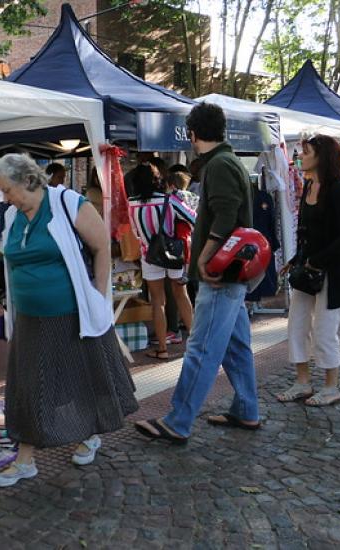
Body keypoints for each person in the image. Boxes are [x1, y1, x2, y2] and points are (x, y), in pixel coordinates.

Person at [0, 153, 138, 487]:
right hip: (29, 317)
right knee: (29, 386)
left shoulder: (68, 202)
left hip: (71, 313)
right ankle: (25, 459)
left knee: (77, 379)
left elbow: (102, 248)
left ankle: (87, 435)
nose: (5, 197)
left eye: (7, 190)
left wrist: (100, 298)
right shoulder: (13, 216)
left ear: (28, 181)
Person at [135, 103, 259, 444]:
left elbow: (224, 214)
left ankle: (178, 420)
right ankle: (247, 409)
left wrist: (204, 258)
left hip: (220, 274)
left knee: (202, 347)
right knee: (236, 347)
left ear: (192, 134)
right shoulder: (228, 161)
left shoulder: (218, 165)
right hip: (231, 273)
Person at [277, 135, 340, 407]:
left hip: (332, 273)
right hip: (307, 271)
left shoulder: (337, 190)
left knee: (324, 330)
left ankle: (331, 387)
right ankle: (302, 382)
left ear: (321, 156)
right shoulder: (309, 184)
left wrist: (318, 260)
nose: (300, 156)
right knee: (297, 325)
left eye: (305, 152)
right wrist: (297, 258)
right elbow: (307, 233)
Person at [127, 164, 196, 360]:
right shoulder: (169, 200)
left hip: (149, 256)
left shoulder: (131, 204)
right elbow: (193, 218)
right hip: (174, 254)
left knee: (158, 302)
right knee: (181, 294)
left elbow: (134, 233)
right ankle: (193, 343)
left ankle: (163, 349)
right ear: (158, 180)